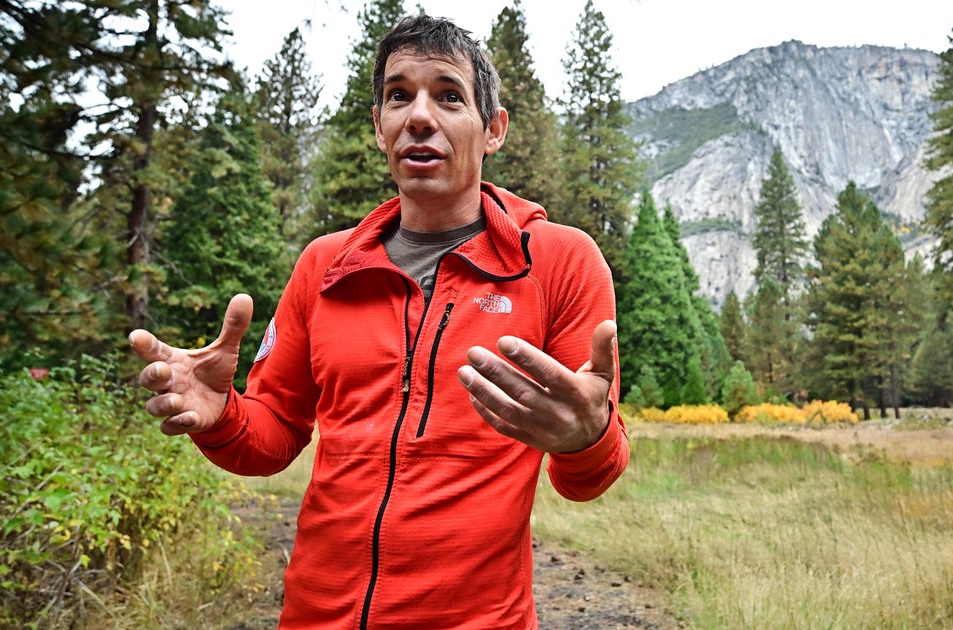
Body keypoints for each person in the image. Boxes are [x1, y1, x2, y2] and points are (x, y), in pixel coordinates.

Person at [128, 14, 628, 629]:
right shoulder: (324, 265)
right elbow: (274, 435)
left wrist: (588, 437)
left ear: (493, 129)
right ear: (379, 126)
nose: (420, 116)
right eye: (398, 95)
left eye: (449, 95)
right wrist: (221, 415)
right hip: (315, 616)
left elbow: (589, 476)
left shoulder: (556, 261)